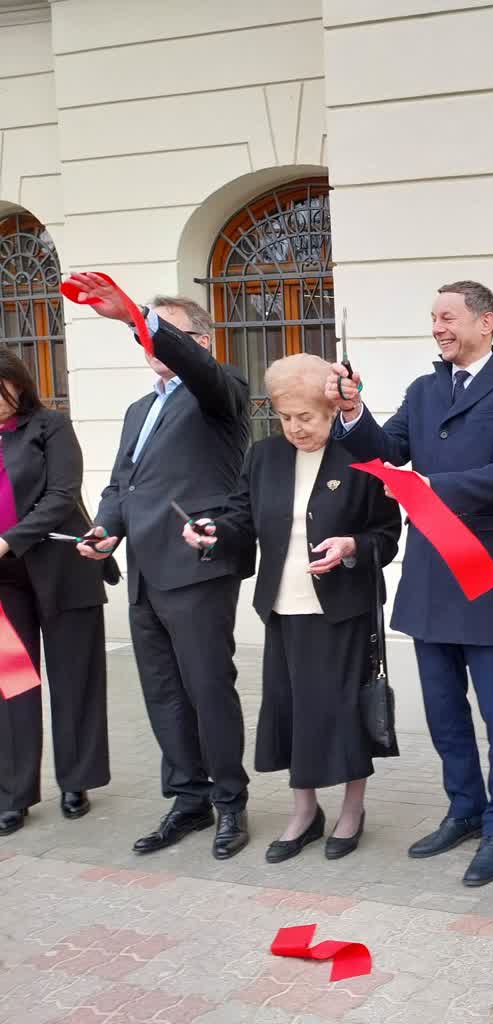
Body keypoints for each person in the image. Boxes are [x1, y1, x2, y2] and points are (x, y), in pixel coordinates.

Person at [326, 281, 493, 886]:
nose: (437, 328)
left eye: (447, 317)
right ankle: (465, 809)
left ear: (486, 322)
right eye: (433, 318)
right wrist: (351, 412)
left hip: (485, 574)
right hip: (429, 575)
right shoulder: (423, 391)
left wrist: (427, 492)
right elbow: (384, 448)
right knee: (444, 710)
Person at [182, 354, 400, 862]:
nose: (296, 427)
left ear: (330, 409)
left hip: (344, 610)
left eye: (307, 416)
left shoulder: (360, 458)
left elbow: (387, 535)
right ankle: (304, 811)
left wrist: (352, 547)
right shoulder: (264, 457)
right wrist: (213, 533)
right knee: (293, 714)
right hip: (284, 608)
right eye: (285, 417)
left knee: (344, 715)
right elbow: (240, 516)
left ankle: (351, 810)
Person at [73, 279, 254, 861]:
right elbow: (122, 484)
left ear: (199, 340)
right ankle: (188, 798)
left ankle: (230, 801)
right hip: (146, 571)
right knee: (164, 694)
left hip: (198, 565)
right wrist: (107, 528)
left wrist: (133, 314)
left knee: (206, 688)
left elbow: (193, 366)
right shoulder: (138, 409)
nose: (147, 341)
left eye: (161, 330)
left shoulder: (219, 392)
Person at [0, 350, 110, 835]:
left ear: (16, 384)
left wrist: (9, 540)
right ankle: (14, 793)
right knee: (13, 685)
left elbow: (62, 494)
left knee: (75, 678)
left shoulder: (50, 426)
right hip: (5, 580)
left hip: (64, 569)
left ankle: (77, 781)